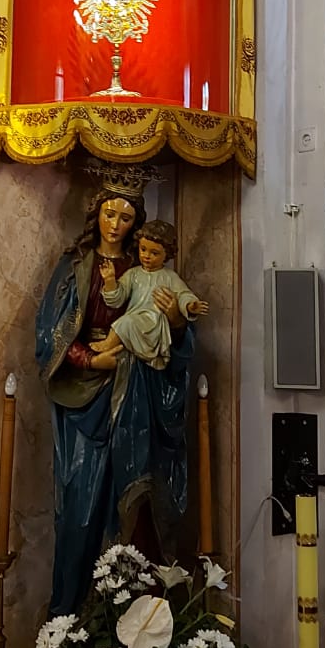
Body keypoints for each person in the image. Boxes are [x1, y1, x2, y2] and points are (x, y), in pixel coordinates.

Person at [36, 186, 194, 614]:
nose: (115, 225)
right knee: (80, 507)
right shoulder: (75, 267)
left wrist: (177, 322)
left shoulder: (147, 269)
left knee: (139, 504)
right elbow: (49, 334)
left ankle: (138, 618)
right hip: (84, 400)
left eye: (126, 217)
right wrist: (90, 359)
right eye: (109, 214)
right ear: (97, 214)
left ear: (136, 224)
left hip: (138, 393)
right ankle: (71, 618)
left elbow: (178, 345)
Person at [93, 219, 208, 371]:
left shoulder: (169, 277)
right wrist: (109, 281)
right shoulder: (133, 274)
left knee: (126, 322)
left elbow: (182, 294)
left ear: (167, 254)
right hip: (136, 322)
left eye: (154, 253)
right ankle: (110, 344)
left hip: (155, 325)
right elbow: (117, 299)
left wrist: (189, 305)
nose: (147, 256)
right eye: (143, 249)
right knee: (127, 322)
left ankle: (108, 344)